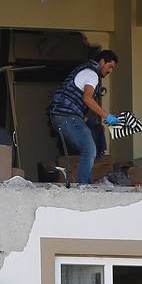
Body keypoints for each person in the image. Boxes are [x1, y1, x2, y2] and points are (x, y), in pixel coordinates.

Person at [47, 50, 122, 185]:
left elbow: (76, 102)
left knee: (93, 132)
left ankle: (85, 182)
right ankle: (84, 185)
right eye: (109, 66)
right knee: (89, 149)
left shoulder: (85, 71)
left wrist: (88, 121)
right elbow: (87, 99)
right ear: (102, 62)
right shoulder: (92, 75)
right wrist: (107, 116)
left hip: (63, 115)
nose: (110, 70)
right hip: (66, 116)